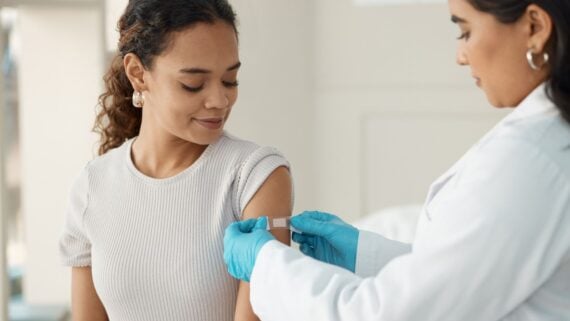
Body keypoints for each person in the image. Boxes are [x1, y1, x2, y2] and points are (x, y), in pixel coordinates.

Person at [223, 0, 570, 320]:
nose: (460, 57)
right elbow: (470, 280)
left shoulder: (532, 160)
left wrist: (266, 264)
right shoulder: (545, 144)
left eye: (465, 31)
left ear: (535, 27)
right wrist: (364, 255)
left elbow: (387, 314)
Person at [59, 1, 292, 320]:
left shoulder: (255, 177)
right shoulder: (92, 187)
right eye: (193, 84)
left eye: (229, 80)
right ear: (138, 74)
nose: (219, 101)